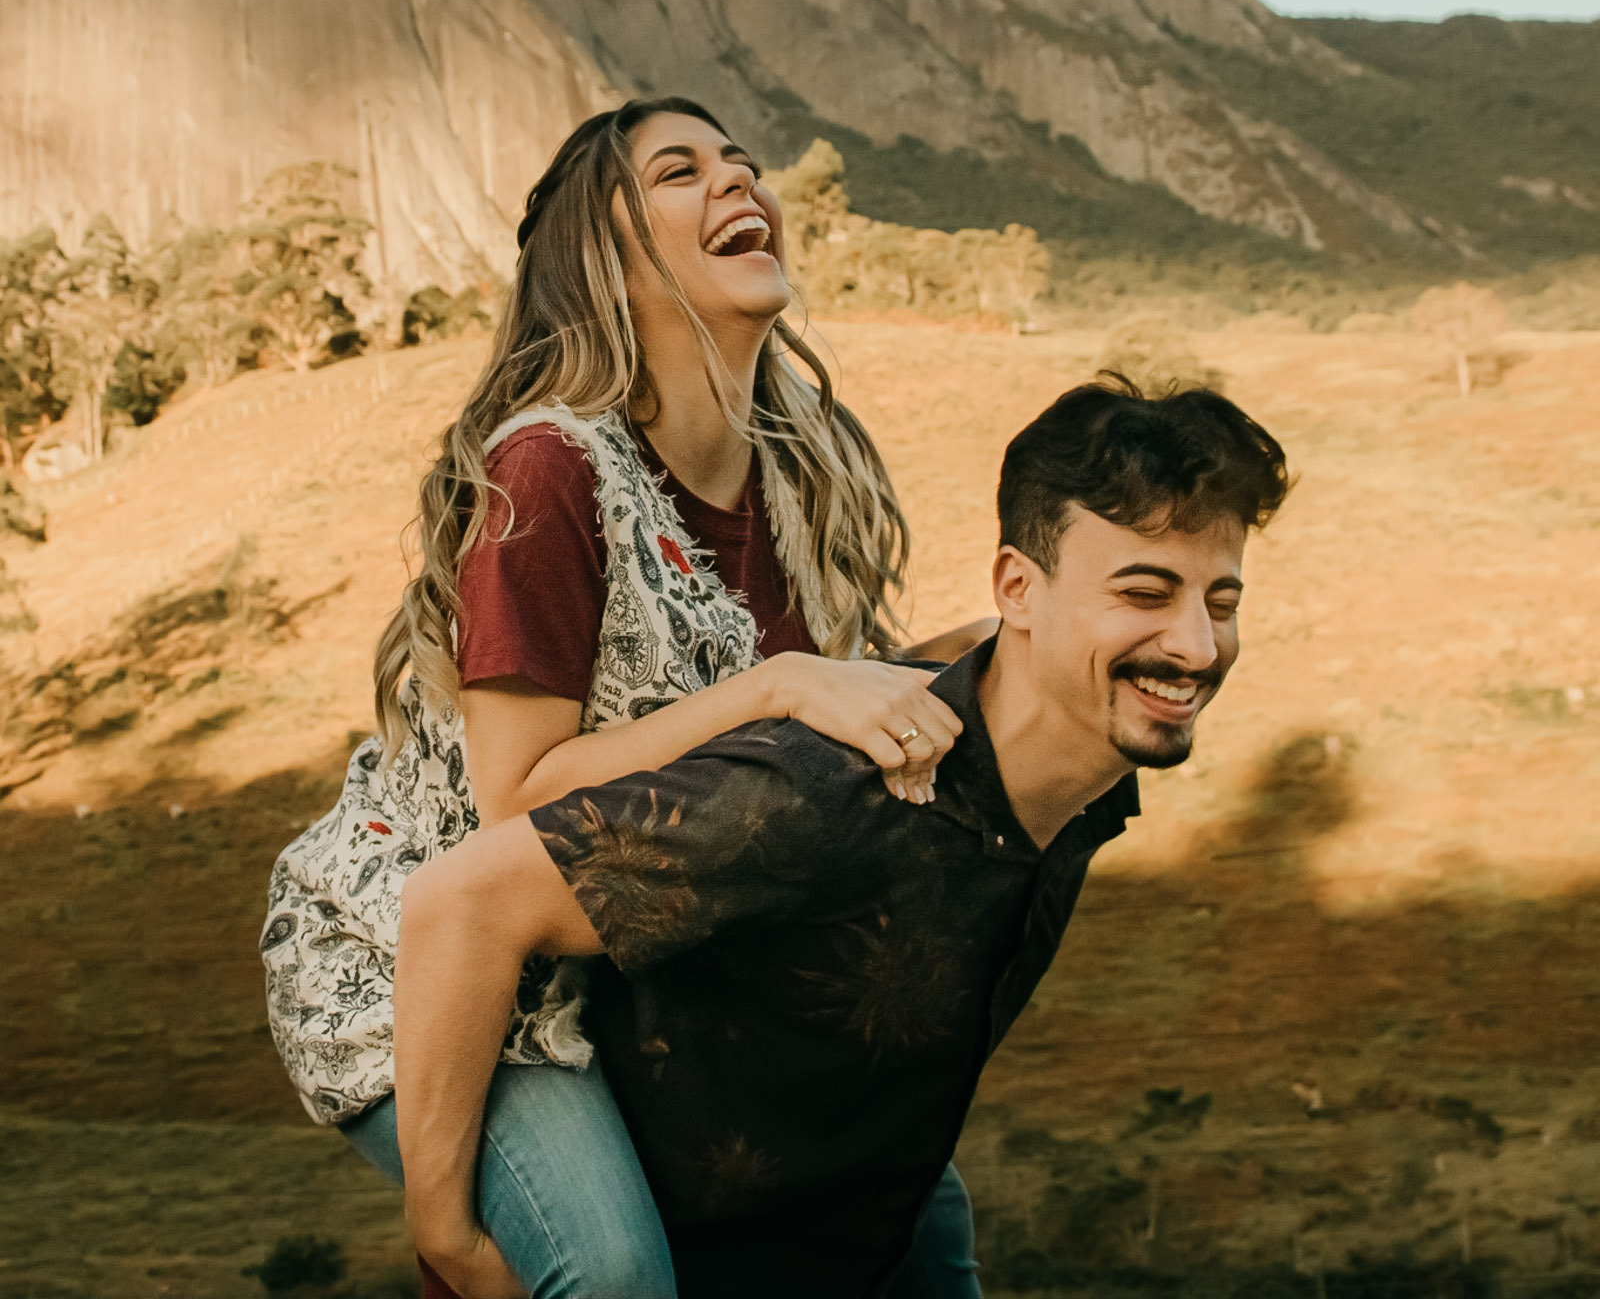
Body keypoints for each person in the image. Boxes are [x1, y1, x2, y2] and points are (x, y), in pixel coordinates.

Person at [260, 97, 988, 1299]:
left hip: (640, 963)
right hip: (436, 967)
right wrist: (780, 685)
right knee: (608, 1271)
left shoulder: (795, 470)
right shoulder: (545, 470)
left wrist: (1007, 650)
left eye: (742, 163)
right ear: (605, 253)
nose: (737, 181)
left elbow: (801, 716)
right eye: (679, 170)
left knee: (914, 1215)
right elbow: (518, 801)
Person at [392, 375, 1291, 1299]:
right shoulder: (832, 791)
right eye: (1145, 593)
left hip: (855, 1227)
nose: (1196, 646)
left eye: (1221, 602)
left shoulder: (1090, 765)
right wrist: (446, 1235)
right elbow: (465, 903)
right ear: (1019, 589)